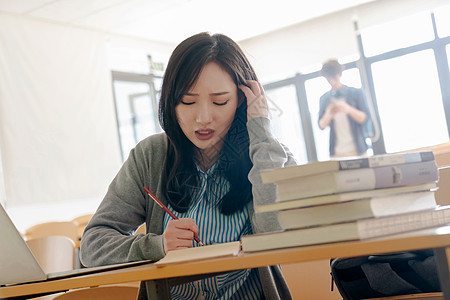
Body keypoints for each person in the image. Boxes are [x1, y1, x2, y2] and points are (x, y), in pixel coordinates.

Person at [80, 32, 296, 300]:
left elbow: (274, 236)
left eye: (220, 101)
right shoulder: (151, 156)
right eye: (188, 101)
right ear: (171, 102)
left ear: (243, 99)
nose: (203, 118)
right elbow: (92, 247)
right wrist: (158, 245)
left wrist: (261, 131)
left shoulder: (269, 154)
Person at [318, 59, 372, 158]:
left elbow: (366, 119)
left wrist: (348, 109)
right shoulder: (324, 99)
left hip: (359, 150)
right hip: (336, 153)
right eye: (328, 78)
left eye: (334, 77)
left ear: (340, 74)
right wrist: (328, 114)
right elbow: (321, 125)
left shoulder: (356, 93)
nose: (332, 81)